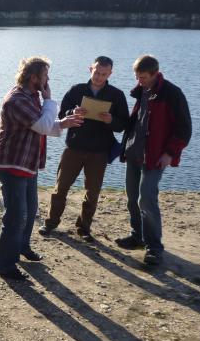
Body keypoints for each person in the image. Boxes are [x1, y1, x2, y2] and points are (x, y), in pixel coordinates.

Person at [0, 57, 83, 281]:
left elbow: (39, 125)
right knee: (15, 217)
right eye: (44, 75)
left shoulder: (31, 96)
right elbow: (41, 125)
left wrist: (62, 123)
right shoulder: (17, 100)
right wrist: (49, 100)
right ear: (33, 77)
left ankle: (22, 247)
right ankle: (5, 265)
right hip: (13, 164)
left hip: (27, 163)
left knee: (30, 210)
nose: (48, 79)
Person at [38, 56, 130, 242]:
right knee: (60, 188)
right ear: (90, 69)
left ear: (110, 73)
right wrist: (73, 112)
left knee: (92, 192)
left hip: (99, 151)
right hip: (74, 147)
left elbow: (124, 124)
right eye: (97, 72)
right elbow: (61, 114)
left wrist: (111, 120)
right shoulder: (77, 90)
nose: (99, 77)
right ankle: (50, 223)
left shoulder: (116, 95)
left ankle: (84, 228)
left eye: (104, 74)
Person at [116, 55, 191, 265]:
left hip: (156, 156)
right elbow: (137, 122)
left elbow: (184, 129)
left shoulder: (172, 93)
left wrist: (170, 153)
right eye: (137, 76)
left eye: (142, 77)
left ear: (155, 74)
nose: (139, 81)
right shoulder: (142, 90)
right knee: (132, 197)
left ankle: (154, 248)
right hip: (134, 152)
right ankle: (137, 236)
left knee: (147, 198)